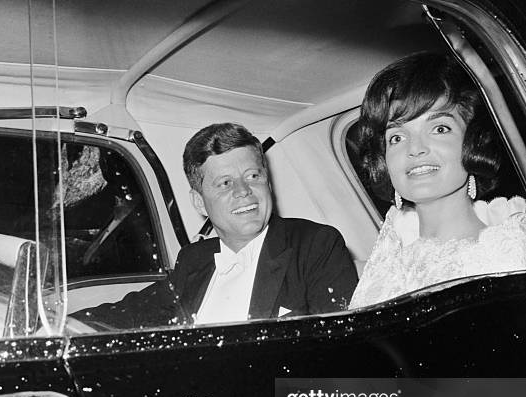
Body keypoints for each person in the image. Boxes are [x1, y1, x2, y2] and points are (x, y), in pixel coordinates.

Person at [76, 122, 357, 329]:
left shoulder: (315, 245)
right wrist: (63, 324)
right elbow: (132, 310)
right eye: (225, 183)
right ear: (199, 203)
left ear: (267, 183)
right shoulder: (193, 259)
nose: (244, 191)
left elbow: (339, 356)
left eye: (253, 176)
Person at [349, 52, 526, 309]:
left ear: (473, 143)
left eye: (439, 128)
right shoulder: (389, 249)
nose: (415, 149)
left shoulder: (507, 259)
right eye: (396, 137)